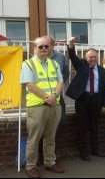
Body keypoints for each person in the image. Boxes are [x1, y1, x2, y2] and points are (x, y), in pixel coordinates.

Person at [20, 36, 64, 178]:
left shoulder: (54, 64)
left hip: (54, 105)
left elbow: (61, 81)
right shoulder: (28, 64)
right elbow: (30, 85)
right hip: (37, 106)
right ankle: (31, 166)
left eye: (46, 46)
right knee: (34, 138)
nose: (44, 48)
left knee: (50, 137)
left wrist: (54, 96)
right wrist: (47, 97)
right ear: (34, 48)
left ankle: (50, 162)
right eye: (40, 47)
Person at [65, 36, 105, 161]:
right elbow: (72, 56)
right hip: (83, 99)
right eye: (90, 57)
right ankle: (83, 151)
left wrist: (104, 104)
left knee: (94, 126)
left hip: (96, 100)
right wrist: (71, 45)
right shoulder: (81, 66)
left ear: (98, 57)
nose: (93, 59)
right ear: (86, 58)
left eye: (95, 57)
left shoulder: (102, 71)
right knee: (82, 126)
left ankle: (95, 149)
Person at [36, 36, 69, 164]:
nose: (44, 47)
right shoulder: (36, 59)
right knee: (41, 126)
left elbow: (65, 73)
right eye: (42, 45)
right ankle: (40, 154)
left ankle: (50, 152)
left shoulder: (60, 57)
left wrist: (57, 88)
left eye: (47, 45)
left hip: (57, 96)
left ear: (52, 45)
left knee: (60, 122)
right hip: (42, 98)